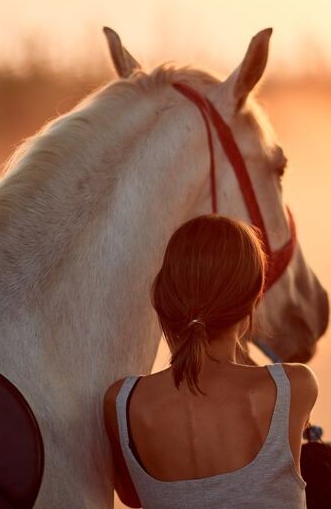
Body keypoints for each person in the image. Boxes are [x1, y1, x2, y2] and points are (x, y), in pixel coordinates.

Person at [103, 214, 319, 508]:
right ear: (255, 299)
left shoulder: (121, 403)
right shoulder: (291, 387)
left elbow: (132, 498)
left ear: (166, 298)